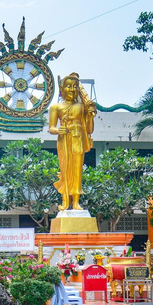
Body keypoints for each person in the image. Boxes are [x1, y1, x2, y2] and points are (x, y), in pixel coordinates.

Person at [48, 73, 97, 211]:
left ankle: (76, 202)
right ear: (62, 89)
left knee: (77, 170)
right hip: (64, 139)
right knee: (65, 169)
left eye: (75, 86)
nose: (72, 89)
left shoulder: (82, 107)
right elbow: (51, 127)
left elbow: (89, 130)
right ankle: (65, 201)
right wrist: (58, 130)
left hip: (78, 138)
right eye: (69, 86)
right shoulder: (56, 107)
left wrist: (91, 116)